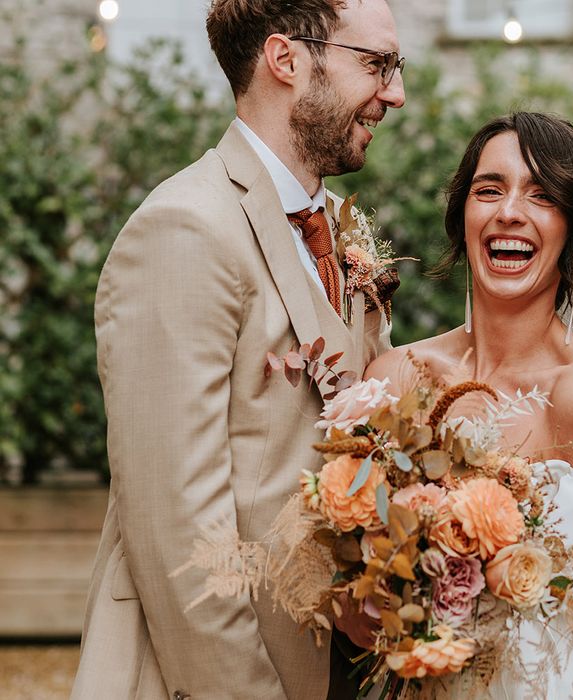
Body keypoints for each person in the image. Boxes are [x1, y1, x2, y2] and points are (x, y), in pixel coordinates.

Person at [72, 1, 405, 698]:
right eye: (375, 64)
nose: (394, 93)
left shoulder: (333, 229)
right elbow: (178, 533)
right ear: (286, 60)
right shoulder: (183, 230)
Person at [365, 112, 573, 698]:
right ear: (462, 217)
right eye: (488, 190)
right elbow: (354, 605)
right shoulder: (395, 378)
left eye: (542, 196)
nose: (508, 211)